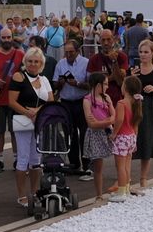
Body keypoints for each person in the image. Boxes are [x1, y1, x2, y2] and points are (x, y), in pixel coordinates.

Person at [6, 47, 55, 207]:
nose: (33, 64)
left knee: (36, 160)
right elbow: (12, 101)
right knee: (23, 159)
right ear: (25, 62)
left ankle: (34, 192)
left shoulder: (45, 80)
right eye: (30, 61)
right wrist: (29, 113)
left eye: (36, 61)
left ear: (41, 63)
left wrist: (38, 112)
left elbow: (50, 100)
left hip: (39, 123)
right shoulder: (19, 77)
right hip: (24, 122)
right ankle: (21, 195)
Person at [0, 28, 24, 174]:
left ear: (12, 37)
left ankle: (16, 159)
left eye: (9, 37)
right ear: (0, 38)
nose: (6, 40)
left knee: (15, 132)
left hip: (15, 100)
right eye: (4, 37)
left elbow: (25, 74)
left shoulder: (20, 54)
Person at [130, 40, 153, 194]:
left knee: (148, 142)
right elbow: (124, 91)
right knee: (131, 143)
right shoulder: (134, 71)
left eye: (146, 52)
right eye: (141, 52)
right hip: (135, 108)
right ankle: (127, 179)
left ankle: (143, 178)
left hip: (152, 110)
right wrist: (130, 78)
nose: (143, 55)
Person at [54, 39, 92, 175]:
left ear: (77, 51)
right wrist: (60, 83)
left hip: (81, 102)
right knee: (69, 134)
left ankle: (87, 164)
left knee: (84, 133)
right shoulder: (61, 63)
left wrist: (77, 84)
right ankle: (74, 163)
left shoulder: (86, 63)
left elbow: (91, 85)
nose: (68, 55)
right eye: (66, 52)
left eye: (71, 52)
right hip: (66, 103)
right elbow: (54, 84)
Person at [106, 75, 140, 203]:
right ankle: (126, 188)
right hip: (131, 136)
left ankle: (121, 191)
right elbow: (136, 122)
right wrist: (135, 137)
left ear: (125, 88)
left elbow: (119, 120)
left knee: (120, 166)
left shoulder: (121, 103)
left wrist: (114, 134)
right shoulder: (136, 102)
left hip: (122, 137)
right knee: (127, 165)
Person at [82, 72, 115, 203]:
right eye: (105, 84)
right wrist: (108, 121)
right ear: (97, 85)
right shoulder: (87, 100)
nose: (107, 86)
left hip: (107, 132)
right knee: (98, 166)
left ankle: (123, 184)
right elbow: (91, 123)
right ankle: (99, 194)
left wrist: (102, 122)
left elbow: (114, 116)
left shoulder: (106, 98)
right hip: (96, 134)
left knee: (119, 156)